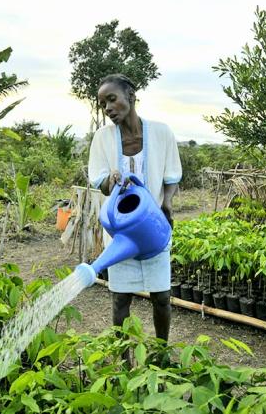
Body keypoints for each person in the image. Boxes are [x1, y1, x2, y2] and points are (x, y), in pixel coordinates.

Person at [88, 73, 182, 344]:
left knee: (162, 298)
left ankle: (161, 352)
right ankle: (123, 359)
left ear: (130, 95)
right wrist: (111, 179)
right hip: (121, 232)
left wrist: (167, 203)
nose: (107, 108)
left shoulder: (161, 133)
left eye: (112, 99)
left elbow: (171, 177)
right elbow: (102, 184)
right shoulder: (102, 139)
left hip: (153, 226)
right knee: (120, 299)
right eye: (103, 104)